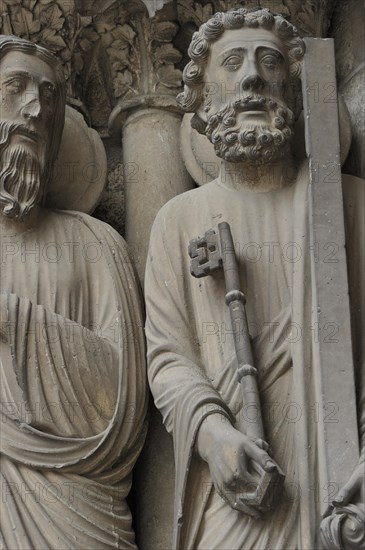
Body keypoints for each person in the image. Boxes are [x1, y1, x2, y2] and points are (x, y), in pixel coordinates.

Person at [145, 8, 364, 549]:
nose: (252, 78)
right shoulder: (178, 219)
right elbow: (168, 357)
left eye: (269, 63)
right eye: (234, 63)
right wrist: (213, 436)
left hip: (342, 469)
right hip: (237, 481)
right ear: (204, 96)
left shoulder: (349, 205)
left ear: (293, 89)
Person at [0, 35, 147, 549]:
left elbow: (124, 404)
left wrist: (14, 322)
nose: (35, 108)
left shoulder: (95, 244)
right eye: (14, 87)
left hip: (76, 509)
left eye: (49, 95)